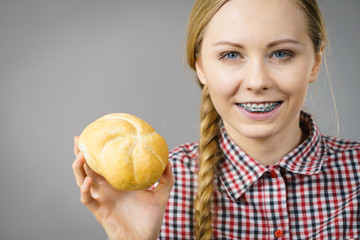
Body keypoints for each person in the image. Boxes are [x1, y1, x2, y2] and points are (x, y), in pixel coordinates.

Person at [73, 0, 360, 239]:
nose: (257, 81)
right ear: (200, 67)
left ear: (315, 62)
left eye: (282, 53)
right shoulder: (158, 191)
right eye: (231, 54)